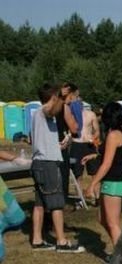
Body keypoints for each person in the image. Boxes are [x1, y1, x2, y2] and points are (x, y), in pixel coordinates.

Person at [29, 83, 84, 253]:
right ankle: (61, 241)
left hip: (40, 161)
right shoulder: (44, 111)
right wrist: (62, 97)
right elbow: (52, 110)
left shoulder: (38, 115)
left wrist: (61, 144)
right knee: (56, 203)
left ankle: (37, 240)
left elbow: (43, 141)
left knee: (39, 204)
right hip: (47, 164)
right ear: (52, 98)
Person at [82, 102, 122, 249]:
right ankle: (120, 249)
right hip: (115, 181)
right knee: (102, 219)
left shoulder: (113, 135)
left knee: (112, 223)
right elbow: (113, 156)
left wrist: (92, 184)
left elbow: (107, 164)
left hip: (113, 181)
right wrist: (93, 156)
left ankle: (121, 258)